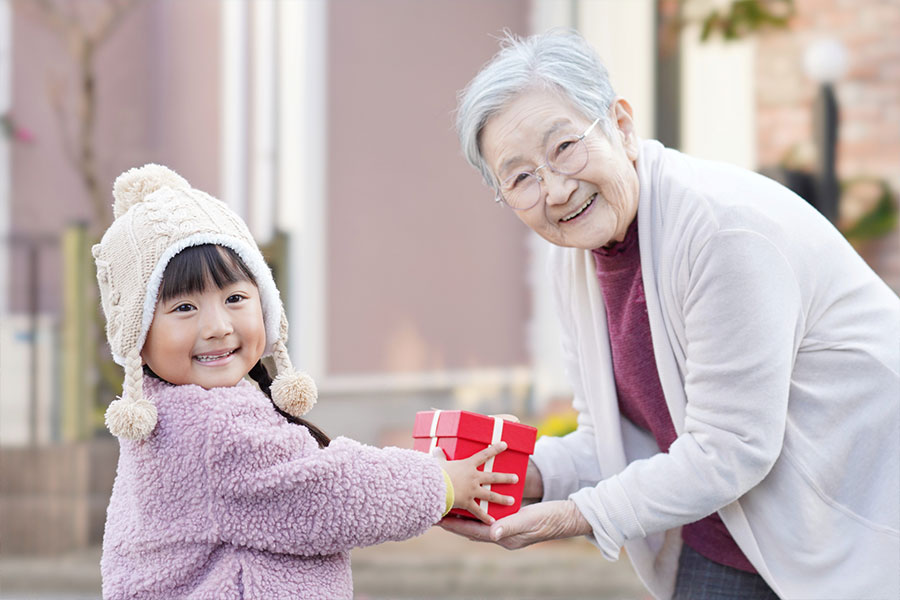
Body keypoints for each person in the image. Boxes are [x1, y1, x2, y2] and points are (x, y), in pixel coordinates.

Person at [440, 30, 900, 600]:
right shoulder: (576, 258)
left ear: (621, 126)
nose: (555, 190)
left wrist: (576, 515)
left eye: (564, 147)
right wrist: (499, 473)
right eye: (520, 177)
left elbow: (730, 448)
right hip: (731, 531)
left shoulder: (721, 232)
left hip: (852, 528)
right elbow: (612, 439)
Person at [93, 164, 519, 599]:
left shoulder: (176, 411)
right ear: (137, 335)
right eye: (184, 307)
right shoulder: (212, 430)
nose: (218, 326)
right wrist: (441, 483)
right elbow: (329, 492)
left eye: (235, 298)